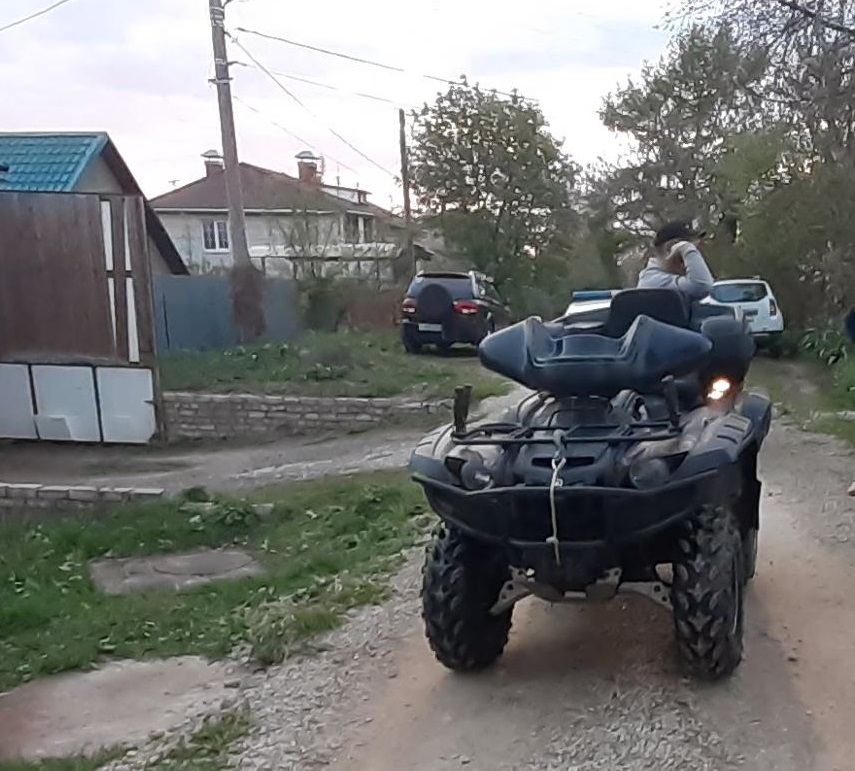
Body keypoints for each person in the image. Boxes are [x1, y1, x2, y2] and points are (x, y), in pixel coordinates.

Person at [637, 221, 714, 300]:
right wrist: (686, 247)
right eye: (689, 254)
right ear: (670, 248)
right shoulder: (654, 280)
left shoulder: (662, 277)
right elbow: (703, 287)